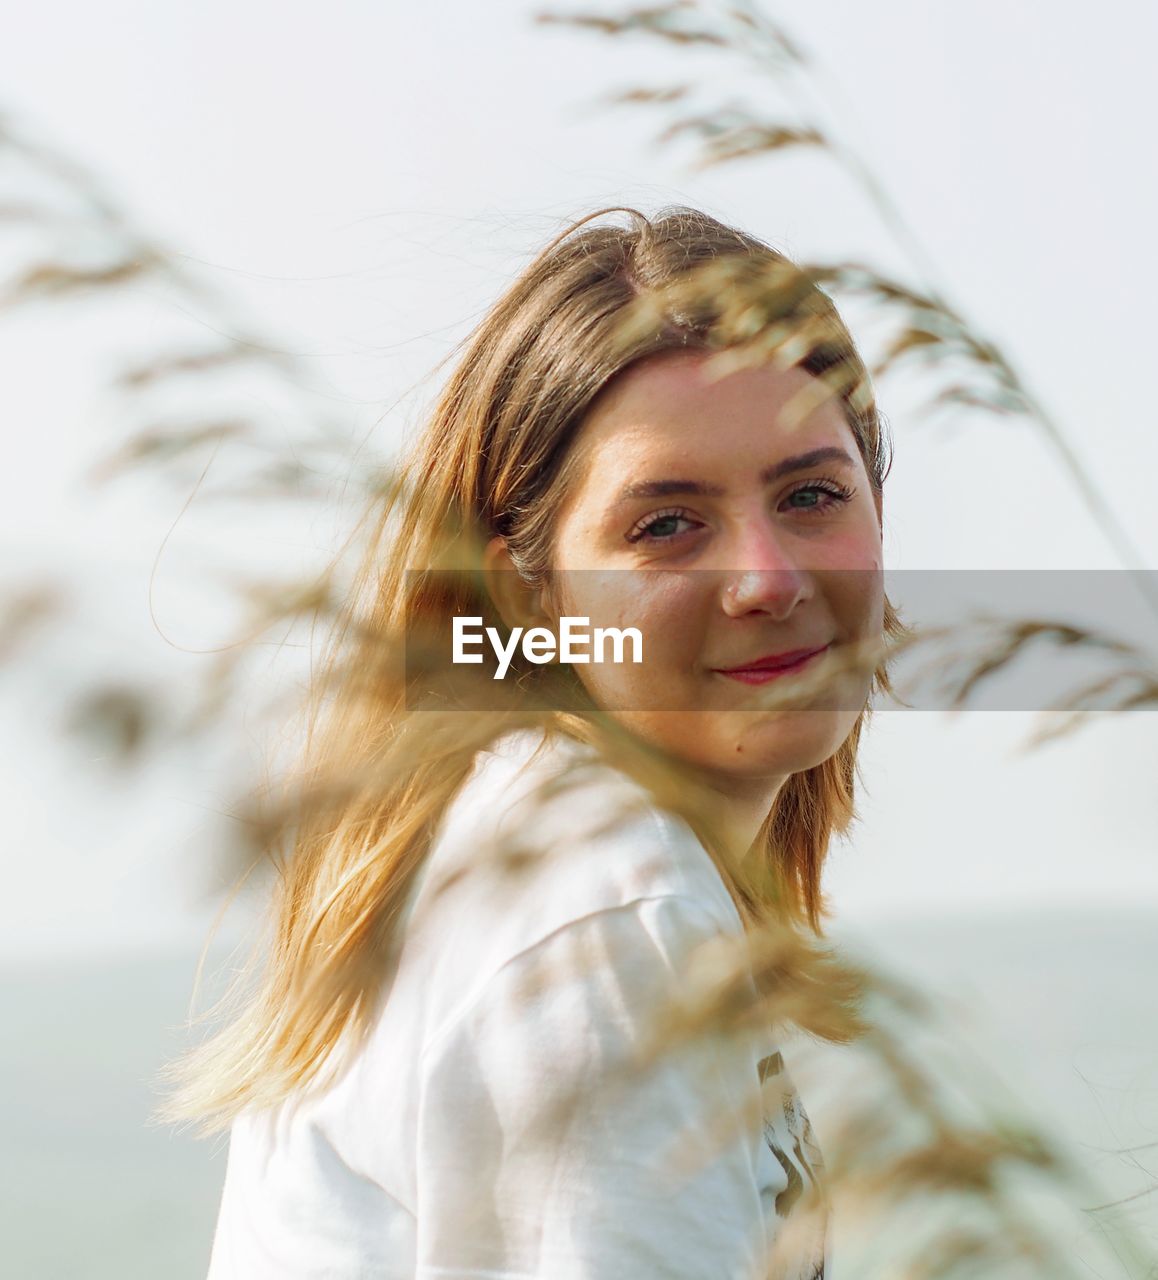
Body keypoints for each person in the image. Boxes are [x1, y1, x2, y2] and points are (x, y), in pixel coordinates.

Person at [163, 205, 905, 1279]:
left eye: (811, 494)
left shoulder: (521, 830)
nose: (769, 578)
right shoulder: (608, 903)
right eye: (666, 523)